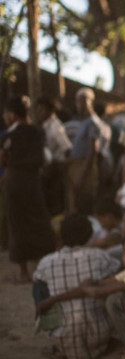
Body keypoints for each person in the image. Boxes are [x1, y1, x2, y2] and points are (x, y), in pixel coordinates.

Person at [36, 229, 125, 359]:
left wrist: (87, 287)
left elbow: (96, 292)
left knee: (115, 300)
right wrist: (52, 300)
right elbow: (95, 287)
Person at [33, 214, 121, 359]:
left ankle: (52, 330)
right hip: (100, 335)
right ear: (90, 233)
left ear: (61, 236)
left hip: (61, 337)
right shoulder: (101, 256)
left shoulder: (46, 261)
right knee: (114, 281)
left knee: (38, 284)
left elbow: (39, 286)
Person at [1, 95, 55, 283]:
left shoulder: (10, 135)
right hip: (32, 182)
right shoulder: (36, 132)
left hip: (15, 182)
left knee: (17, 223)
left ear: (13, 114)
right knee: (39, 219)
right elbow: (41, 159)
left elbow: (4, 159)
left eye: (6, 113)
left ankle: (24, 272)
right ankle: (45, 266)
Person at [66, 87, 111, 212]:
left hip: (85, 168)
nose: (80, 105)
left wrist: (82, 175)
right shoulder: (83, 122)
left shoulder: (93, 122)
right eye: (77, 102)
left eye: (83, 101)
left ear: (90, 102)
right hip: (76, 166)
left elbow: (93, 150)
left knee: (84, 204)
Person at [36, 96, 72, 216]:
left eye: (42, 109)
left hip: (56, 168)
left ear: (50, 110)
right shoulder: (45, 125)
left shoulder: (55, 126)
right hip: (49, 169)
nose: (39, 112)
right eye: (38, 109)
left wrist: (64, 168)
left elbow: (67, 148)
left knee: (56, 204)